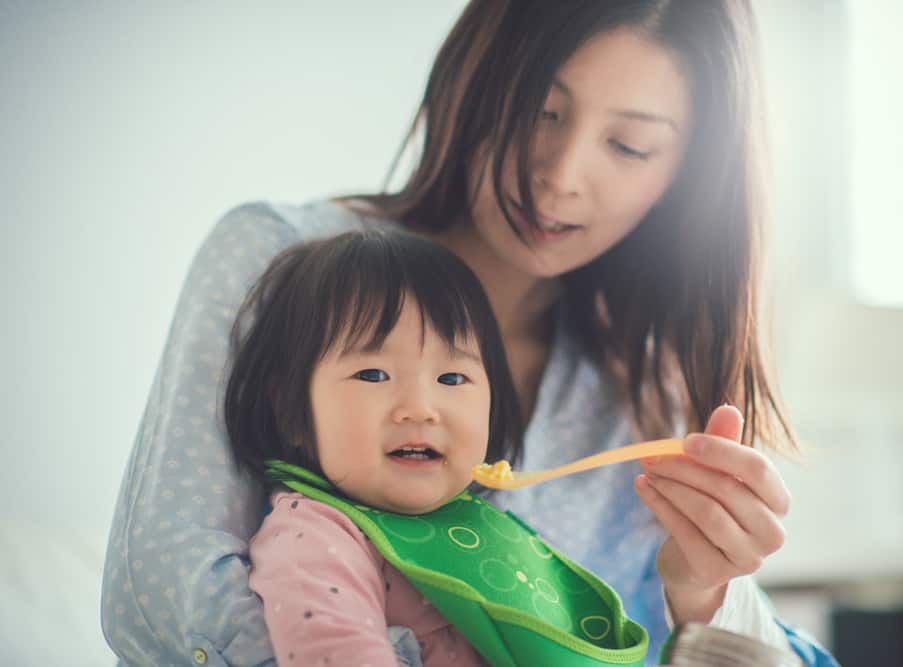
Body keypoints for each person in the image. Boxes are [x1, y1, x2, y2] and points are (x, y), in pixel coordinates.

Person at [101, 1, 840, 665]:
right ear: (474, 77)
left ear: (684, 178)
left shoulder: (640, 394)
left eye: (630, 147)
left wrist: (708, 596)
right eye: (542, 111)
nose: (559, 175)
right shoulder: (277, 259)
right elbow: (158, 593)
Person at [225, 229, 646, 666]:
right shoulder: (315, 537)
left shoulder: (482, 528)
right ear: (292, 411)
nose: (421, 409)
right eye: (372, 374)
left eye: (451, 379)